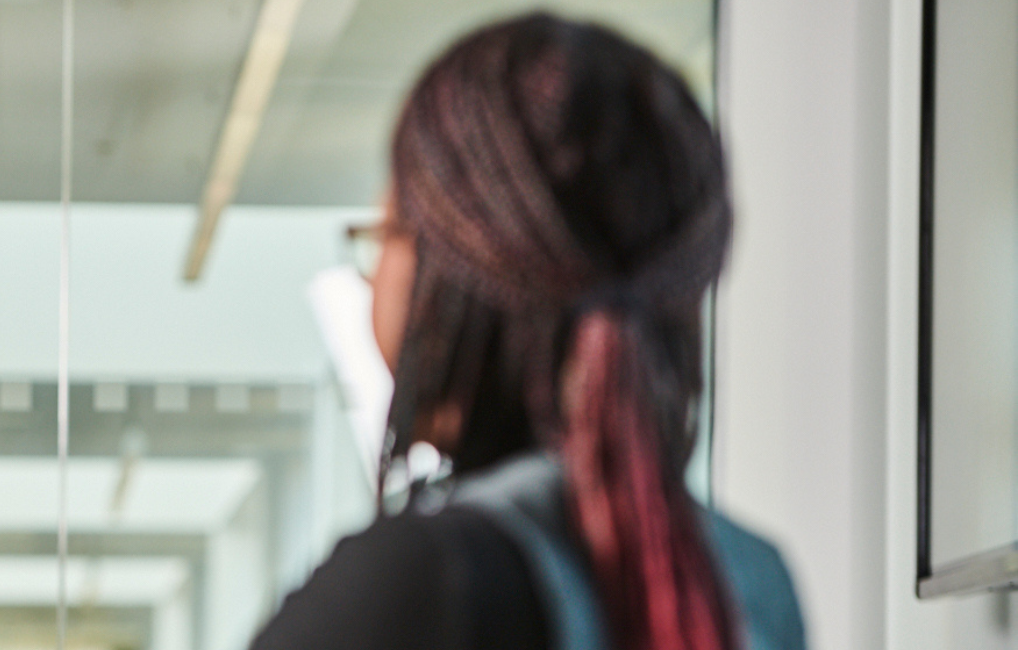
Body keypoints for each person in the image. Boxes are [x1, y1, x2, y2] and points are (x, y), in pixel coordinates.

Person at [252, 14, 805, 650]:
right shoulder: (755, 583)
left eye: (384, 241)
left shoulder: (423, 584)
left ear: (450, 283)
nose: (374, 284)